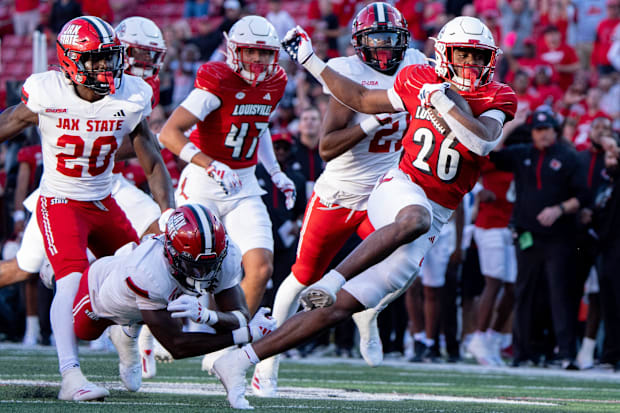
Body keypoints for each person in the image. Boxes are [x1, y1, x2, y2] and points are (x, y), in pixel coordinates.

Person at [212, 16, 516, 409]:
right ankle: (334, 278)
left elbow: (480, 141)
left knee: (339, 310)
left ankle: (239, 361)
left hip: (438, 211)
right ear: (445, 54)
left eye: (478, 56)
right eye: (463, 54)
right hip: (398, 186)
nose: (471, 64)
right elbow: (357, 98)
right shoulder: (417, 77)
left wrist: (444, 99)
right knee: (411, 220)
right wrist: (312, 62)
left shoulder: (500, 95)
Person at [251, 2, 427, 398]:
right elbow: (327, 147)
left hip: (386, 186)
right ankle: (267, 363)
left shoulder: (416, 62)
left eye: (390, 39)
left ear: (405, 42)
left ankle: (369, 311)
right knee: (301, 278)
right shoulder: (346, 72)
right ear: (359, 45)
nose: (384, 48)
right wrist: (369, 123)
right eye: (376, 40)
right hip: (340, 193)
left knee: (409, 258)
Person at [0, 16, 174, 401]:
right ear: (71, 62)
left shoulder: (131, 94)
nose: (106, 68)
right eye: (95, 60)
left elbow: (152, 160)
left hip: (104, 197)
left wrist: (168, 213)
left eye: (110, 58)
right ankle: (71, 376)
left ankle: (124, 336)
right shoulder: (48, 93)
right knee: (72, 279)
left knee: (143, 274)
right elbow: (10, 121)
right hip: (61, 199)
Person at [159, 15, 296, 324]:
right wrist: (212, 164)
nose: (258, 60)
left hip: (244, 185)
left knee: (261, 269)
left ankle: (227, 340)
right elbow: (169, 133)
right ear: (234, 50)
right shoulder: (217, 78)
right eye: (250, 51)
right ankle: (152, 333)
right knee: (185, 270)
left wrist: (276, 174)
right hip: (202, 185)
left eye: (264, 53)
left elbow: (258, 128)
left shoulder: (276, 82)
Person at [71, 204, 276, 394]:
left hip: (153, 301)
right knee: (83, 332)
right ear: (169, 251)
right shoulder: (148, 270)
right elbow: (177, 346)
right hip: (99, 293)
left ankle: (129, 330)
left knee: (162, 308)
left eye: (210, 264)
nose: (203, 273)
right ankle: (55, 276)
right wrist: (246, 335)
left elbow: (239, 317)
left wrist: (208, 316)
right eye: (193, 265)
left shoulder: (227, 254)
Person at [490, 110, 588, 369]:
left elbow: (583, 197)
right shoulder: (522, 153)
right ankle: (522, 352)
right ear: (531, 131)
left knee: (559, 294)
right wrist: (513, 125)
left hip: (559, 237)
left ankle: (566, 353)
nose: (543, 133)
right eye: (538, 129)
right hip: (527, 235)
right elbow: (493, 152)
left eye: (548, 128)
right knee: (525, 293)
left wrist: (559, 209)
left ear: (555, 130)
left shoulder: (568, 157)